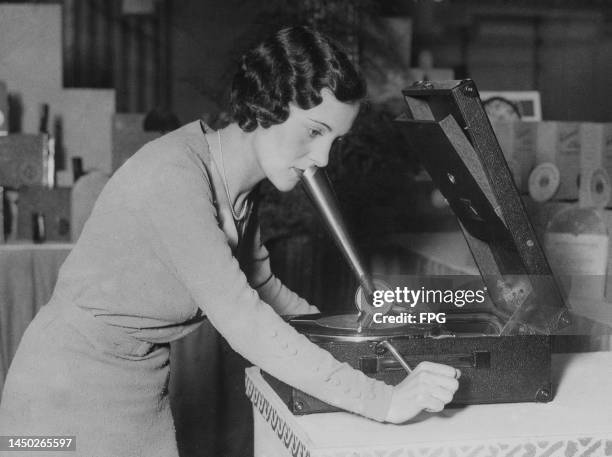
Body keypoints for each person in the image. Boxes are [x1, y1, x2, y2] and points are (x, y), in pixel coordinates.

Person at [0, 26, 459, 457]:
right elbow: (244, 319)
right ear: (268, 104)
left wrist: (354, 335)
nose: (321, 158)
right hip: (61, 397)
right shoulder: (175, 178)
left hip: (136, 390)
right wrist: (384, 401)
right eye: (315, 131)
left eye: (333, 141)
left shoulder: (238, 188)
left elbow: (264, 293)